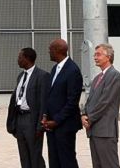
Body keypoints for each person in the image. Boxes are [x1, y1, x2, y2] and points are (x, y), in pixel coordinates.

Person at [41, 38, 83, 168]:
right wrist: (46, 116)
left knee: (67, 160)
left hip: (65, 126)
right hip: (52, 126)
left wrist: (56, 121)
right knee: (54, 161)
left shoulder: (73, 70)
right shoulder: (55, 69)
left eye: (50, 50)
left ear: (57, 51)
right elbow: (51, 95)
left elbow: (72, 101)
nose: (48, 52)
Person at [81, 43, 120, 168]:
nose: (95, 57)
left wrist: (90, 118)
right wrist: (83, 114)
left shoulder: (114, 75)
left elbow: (105, 102)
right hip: (94, 131)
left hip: (106, 131)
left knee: (110, 165)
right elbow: (90, 100)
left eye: (98, 54)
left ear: (108, 57)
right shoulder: (98, 77)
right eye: (94, 54)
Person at [7, 47, 49, 168]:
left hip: (32, 120)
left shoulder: (42, 76)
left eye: (20, 57)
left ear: (27, 59)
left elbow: (43, 102)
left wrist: (40, 126)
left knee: (35, 155)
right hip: (20, 119)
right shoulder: (20, 76)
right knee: (24, 155)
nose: (18, 60)